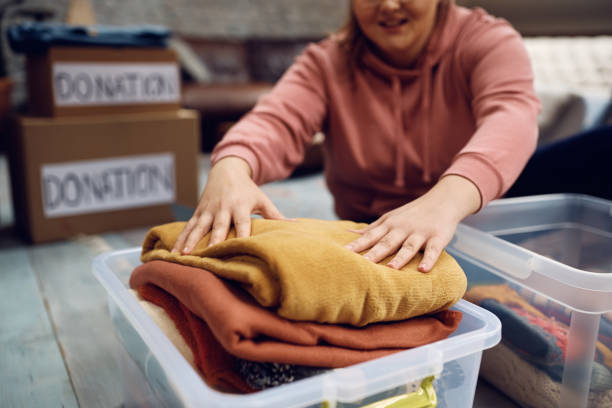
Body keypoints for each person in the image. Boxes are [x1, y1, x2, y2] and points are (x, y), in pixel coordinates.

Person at [172, 0, 540, 272]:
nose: (388, 5)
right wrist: (232, 166)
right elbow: (276, 119)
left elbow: (513, 114)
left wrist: (445, 201)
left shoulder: (487, 40)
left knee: (597, 147)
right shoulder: (326, 62)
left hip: (471, 222)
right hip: (371, 232)